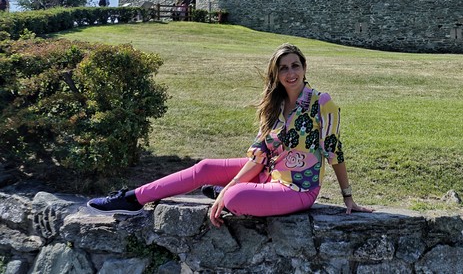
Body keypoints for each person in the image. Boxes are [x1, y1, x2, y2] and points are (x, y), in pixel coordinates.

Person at [87, 43, 372, 225]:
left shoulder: (322, 103)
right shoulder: (275, 106)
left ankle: (227, 193)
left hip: (297, 189)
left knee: (234, 197)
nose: (290, 72)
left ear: (304, 68)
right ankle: (132, 198)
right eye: (283, 68)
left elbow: (334, 151)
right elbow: (260, 155)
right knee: (206, 167)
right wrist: (234, 181)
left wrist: (348, 197)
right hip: (267, 173)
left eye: (295, 65)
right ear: (276, 74)